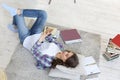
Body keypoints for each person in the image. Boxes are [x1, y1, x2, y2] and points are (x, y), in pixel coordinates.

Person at [2, 4, 79, 69]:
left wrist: (40, 40)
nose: (65, 52)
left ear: (64, 61)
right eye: (68, 52)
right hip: (37, 33)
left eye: (66, 55)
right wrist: (48, 34)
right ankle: (17, 20)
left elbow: (34, 51)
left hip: (26, 39)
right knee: (43, 14)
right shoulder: (60, 47)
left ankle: (16, 22)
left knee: (18, 16)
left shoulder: (48, 62)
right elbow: (50, 40)